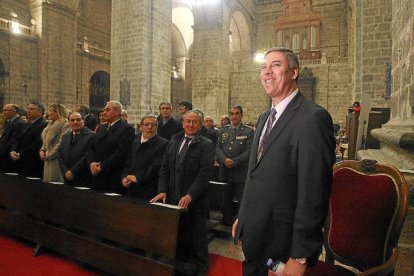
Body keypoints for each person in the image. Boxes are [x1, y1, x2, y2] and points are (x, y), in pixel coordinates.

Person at [232, 47, 336, 276]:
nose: (267, 72)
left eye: (276, 65)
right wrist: (243, 217)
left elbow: (314, 192)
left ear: (294, 72)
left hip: (283, 243)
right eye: (263, 67)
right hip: (254, 234)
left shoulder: (313, 118)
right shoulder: (263, 117)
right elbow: (254, 173)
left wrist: (300, 255)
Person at [150, 111, 215, 276]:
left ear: (200, 125)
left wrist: (190, 195)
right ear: (183, 123)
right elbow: (165, 168)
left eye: (194, 122)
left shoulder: (206, 144)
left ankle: (201, 269)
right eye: (188, 122)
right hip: (173, 198)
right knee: (179, 234)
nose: (191, 125)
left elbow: (205, 174)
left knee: (197, 236)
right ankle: (181, 267)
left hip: (195, 200)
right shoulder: (174, 140)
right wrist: (162, 190)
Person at [216, 105, 254, 226]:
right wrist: (224, 159)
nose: (234, 116)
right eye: (232, 114)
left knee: (241, 200)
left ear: (241, 115)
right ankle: (226, 221)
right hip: (225, 171)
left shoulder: (248, 131)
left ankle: (240, 224)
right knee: (225, 199)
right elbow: (217, 148)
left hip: (240, 172)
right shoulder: (223, 130)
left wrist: (234, 161)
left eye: (237, 113)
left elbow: (250, 151)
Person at [87, 100, 135, 194]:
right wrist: (91, 163)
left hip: (112, 176)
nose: (104, 112)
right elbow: (91, 147)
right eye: (104, 110)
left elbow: (121, 153)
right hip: (96, 174)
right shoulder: (101, 128)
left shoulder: (126, 129)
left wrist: (101, 166)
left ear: (117, 112)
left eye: (107, 110)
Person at [121, 114, 168, 200]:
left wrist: (137, 177)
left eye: (153, 125)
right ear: (141, 127)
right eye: (146, 124)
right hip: (132, 188)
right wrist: (124, 177)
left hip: (149, 190)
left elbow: (156, 167)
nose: (150, 127)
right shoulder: (135, 143)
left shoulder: (163, 144)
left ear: (157, 127)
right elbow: (128, 163)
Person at [10, 101, 48, 178]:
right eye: (28, 109)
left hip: (32, 163)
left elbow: (36, 144)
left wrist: (19, 153)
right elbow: (17, 139)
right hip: (20, 161)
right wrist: (13, 150)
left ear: (40, 112)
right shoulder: (27, 123)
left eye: (32, 109)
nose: (28, 111)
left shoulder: (43, 125)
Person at [58, 112, 94, 186]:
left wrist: (73, 171)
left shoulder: (91, 136)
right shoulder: (65, 136)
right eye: (72, 120)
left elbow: (87, 156)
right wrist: (65, 171)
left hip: (83, 178)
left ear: (83, 121)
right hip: (66, 177)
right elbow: (60, 155)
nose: (75, 122)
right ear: (68, 122)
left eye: (78, 120)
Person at [39, 104, 70, 182]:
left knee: (56, 182)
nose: (48, 113)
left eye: (51, 111)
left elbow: (61, 142)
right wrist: (42, 150)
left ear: (58, 112)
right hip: (47, 158)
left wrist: (50, 154)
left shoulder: (65, 124)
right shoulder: (50, 124)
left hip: (57, 158)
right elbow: (46, 141)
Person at [0, 104, 26, 171]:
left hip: (8, 157)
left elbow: (13, 140)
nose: (3, 112)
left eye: (5, 110)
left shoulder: (19, 123)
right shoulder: (9, 122)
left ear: (13, 111)